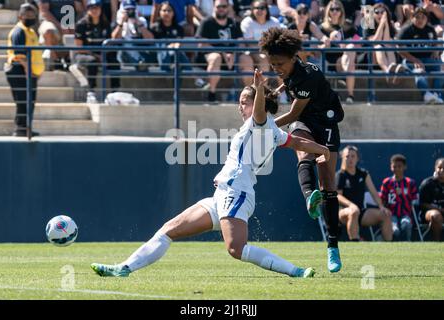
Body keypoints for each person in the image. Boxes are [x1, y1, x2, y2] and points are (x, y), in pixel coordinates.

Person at [90, 69, 330, 278]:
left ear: (257, 103)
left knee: (236, 249)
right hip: (221, 196)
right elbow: (297, 142)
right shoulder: (272, 130)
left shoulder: (262, 122)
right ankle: (124, 268)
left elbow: (264, 116)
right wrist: (322, 149)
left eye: (243, 102)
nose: (240, 106)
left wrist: (257, 89)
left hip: (237, 194)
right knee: (169, 229)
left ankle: (295, 271)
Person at [260, 27, 344, 272]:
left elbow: (294, 112)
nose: (276, 68)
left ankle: (332, 247)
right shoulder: (289, 72)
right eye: (272, 64)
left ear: (294, 57)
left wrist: (262, 126)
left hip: (325, 122)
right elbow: (289, 87)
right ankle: (309, 196)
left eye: (279, 64)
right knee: (302, 150)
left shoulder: (308, 75)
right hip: (305, 122)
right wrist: (277, 90)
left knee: (328, 182)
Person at [336, 145, 393, 241]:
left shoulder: (363, 174)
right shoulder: (340, 175)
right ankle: (355, 244)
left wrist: (381, 206)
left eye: (353, 156)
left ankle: (388, 247)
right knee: (354, 212)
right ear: (343, 158)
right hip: (342, 212)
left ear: (357, 158)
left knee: (386, 215)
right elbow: (338, 196)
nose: (350, 159)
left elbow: (374, 193)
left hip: (361, 212)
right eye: (347, 156)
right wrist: (351, 205)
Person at [5, 4, 44, 137]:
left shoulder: (31, 31)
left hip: (29, 71)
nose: (30, 18)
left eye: (32, 15)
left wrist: (36, 72)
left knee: (29, 101)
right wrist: (29, 72)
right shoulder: (19, 31)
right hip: (19, 70)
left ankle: (26, 127)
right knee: (22, 101)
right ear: (20, 16)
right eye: (27, 16)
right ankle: (20, 129)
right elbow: (20, 56)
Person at [195, 0, 244, 103]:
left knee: (247, 59)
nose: (221, 8)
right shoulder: (206, 22)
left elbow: (241, 43)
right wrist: (222, 52)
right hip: (209, 58)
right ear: (214, 7)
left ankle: (248, 94)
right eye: (218, 6)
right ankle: (211, 94)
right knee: (216, 57)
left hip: (232, 57)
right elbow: (201, 44)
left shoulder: (234, 23)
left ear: (228, 7)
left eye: (224, 6)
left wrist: (234, 53)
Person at [72, 0, 121, 103]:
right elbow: (79, 48)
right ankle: (91, 92)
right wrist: (97, 55)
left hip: (102, 53)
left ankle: (115, 91)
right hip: (83, 55)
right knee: (92, 61)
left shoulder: (105, 24)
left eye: (97, 8)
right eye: (92, 8)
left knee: (114, 61)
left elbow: (110, 42)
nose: (95, 10)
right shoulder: (81, 24)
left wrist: (103, 54)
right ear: (88, 10)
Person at [396, 7, 443, 104]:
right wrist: (414, 60)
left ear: (427, 19)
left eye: (423, 17)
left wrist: (435, 51)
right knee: (419, 72)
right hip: (411, 61)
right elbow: (399, 49)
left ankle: (436, 94)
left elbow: (436, 43)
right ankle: (426, 95)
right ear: (412, 18)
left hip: (428, 59)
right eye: (417, 17)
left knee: (441, 69)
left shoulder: (430, 29)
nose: (420, 20)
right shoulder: (406, 29)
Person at [320, 0, 358, 104]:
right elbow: (318, 47)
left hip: (346, 58)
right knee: (351, 64)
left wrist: (345, 43)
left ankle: (350, 95)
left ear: (341, 11)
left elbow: (358, 41)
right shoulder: (323, 28)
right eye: (332, 9)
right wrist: (329, 41)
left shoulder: (348, 26)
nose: (335, 11)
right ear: (328, 11)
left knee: (350, 47)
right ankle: (351, 95)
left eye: (338, 9)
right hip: (330, 61)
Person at [362, 3, 406, 84]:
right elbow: (375, 42)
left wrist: (386, 24)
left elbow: (386, 41)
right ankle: (387, 72)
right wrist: (381, 24)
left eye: (382, 12)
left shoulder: (390, 25)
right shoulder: (368, 24)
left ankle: (393, 68)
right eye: (377, 12)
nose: (380, 14)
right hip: (371, 57)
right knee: (379, 46)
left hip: (386, 55)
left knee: (388, 46)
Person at [240, 0, 281, 87]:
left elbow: (278, 40)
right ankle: (261, 92)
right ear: (252, 10)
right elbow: (250, 44)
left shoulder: (274, 22)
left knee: (282, 60)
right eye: (256, 8)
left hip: (271, 51)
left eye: (262, 8)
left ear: (267, 10)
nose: (259, 10)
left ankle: (284, 94)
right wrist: (265, 50)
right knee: (263, 60)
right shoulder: (247, 22)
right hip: (252, 52)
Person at [380, 154, 418, 241]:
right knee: (395, 229)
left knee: (406, 224)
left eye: (399, 166)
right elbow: (382, 199)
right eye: (394, 166)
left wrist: (402, 195)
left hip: (406, 214)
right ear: (391, 167)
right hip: (391, 214)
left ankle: (407, 244)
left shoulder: (410, 183)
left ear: (405, 167)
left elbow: (414, 201)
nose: (396, 169)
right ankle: (393, 247)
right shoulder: (387, 182)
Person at [38, 0, 84, 69]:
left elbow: (81, 10)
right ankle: (54, 60)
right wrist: (60, 26)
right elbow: (44, 12)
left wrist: (74, 24)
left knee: (75, 32)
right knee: (48, 30)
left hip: (69, 21)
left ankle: (69, 59)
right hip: (50, 21)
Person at [114, 0, 156, 70]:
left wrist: (139, 23)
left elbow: (150, 39)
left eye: (132, 9)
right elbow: (115, 39)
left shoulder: (141, 21)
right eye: (127, 10)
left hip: (141, 51)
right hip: (125, 55)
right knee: (127, 43)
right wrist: (121, 23)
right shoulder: (118, 22)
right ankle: (140, 62)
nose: (130, 12)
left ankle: (141, 62)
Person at [419, 158, 444, 241]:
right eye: (439, 167)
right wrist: (439, 209)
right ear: (435, 168)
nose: (442, 170)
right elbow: (422, 204)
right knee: (436, 215)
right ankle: (437, 242)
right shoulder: (428, 183)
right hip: (430, 213)